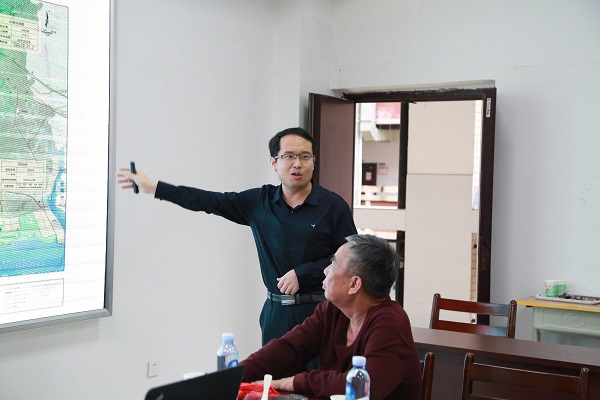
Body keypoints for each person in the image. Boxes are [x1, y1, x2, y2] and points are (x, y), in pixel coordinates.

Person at [116, 127, 357, 347]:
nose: (298, 164)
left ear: (313, 161)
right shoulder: (258, 202)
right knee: (273, 378)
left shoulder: (333, 206)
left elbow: (352, 259)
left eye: (305, 156)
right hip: (276, 312)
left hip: (321, 310)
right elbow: (209, 201)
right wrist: (154, 187)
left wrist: (303, 273)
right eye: (289, 156)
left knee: (320, 378)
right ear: (274, 162)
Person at [240, 234, 422, 400]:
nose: (326, 270)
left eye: (334, 264)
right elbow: (289, 348)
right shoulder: (332, 310)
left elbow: (362, 388)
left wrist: (294, 382)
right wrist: (235, 375)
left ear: (354, 284)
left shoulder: (390, 324)